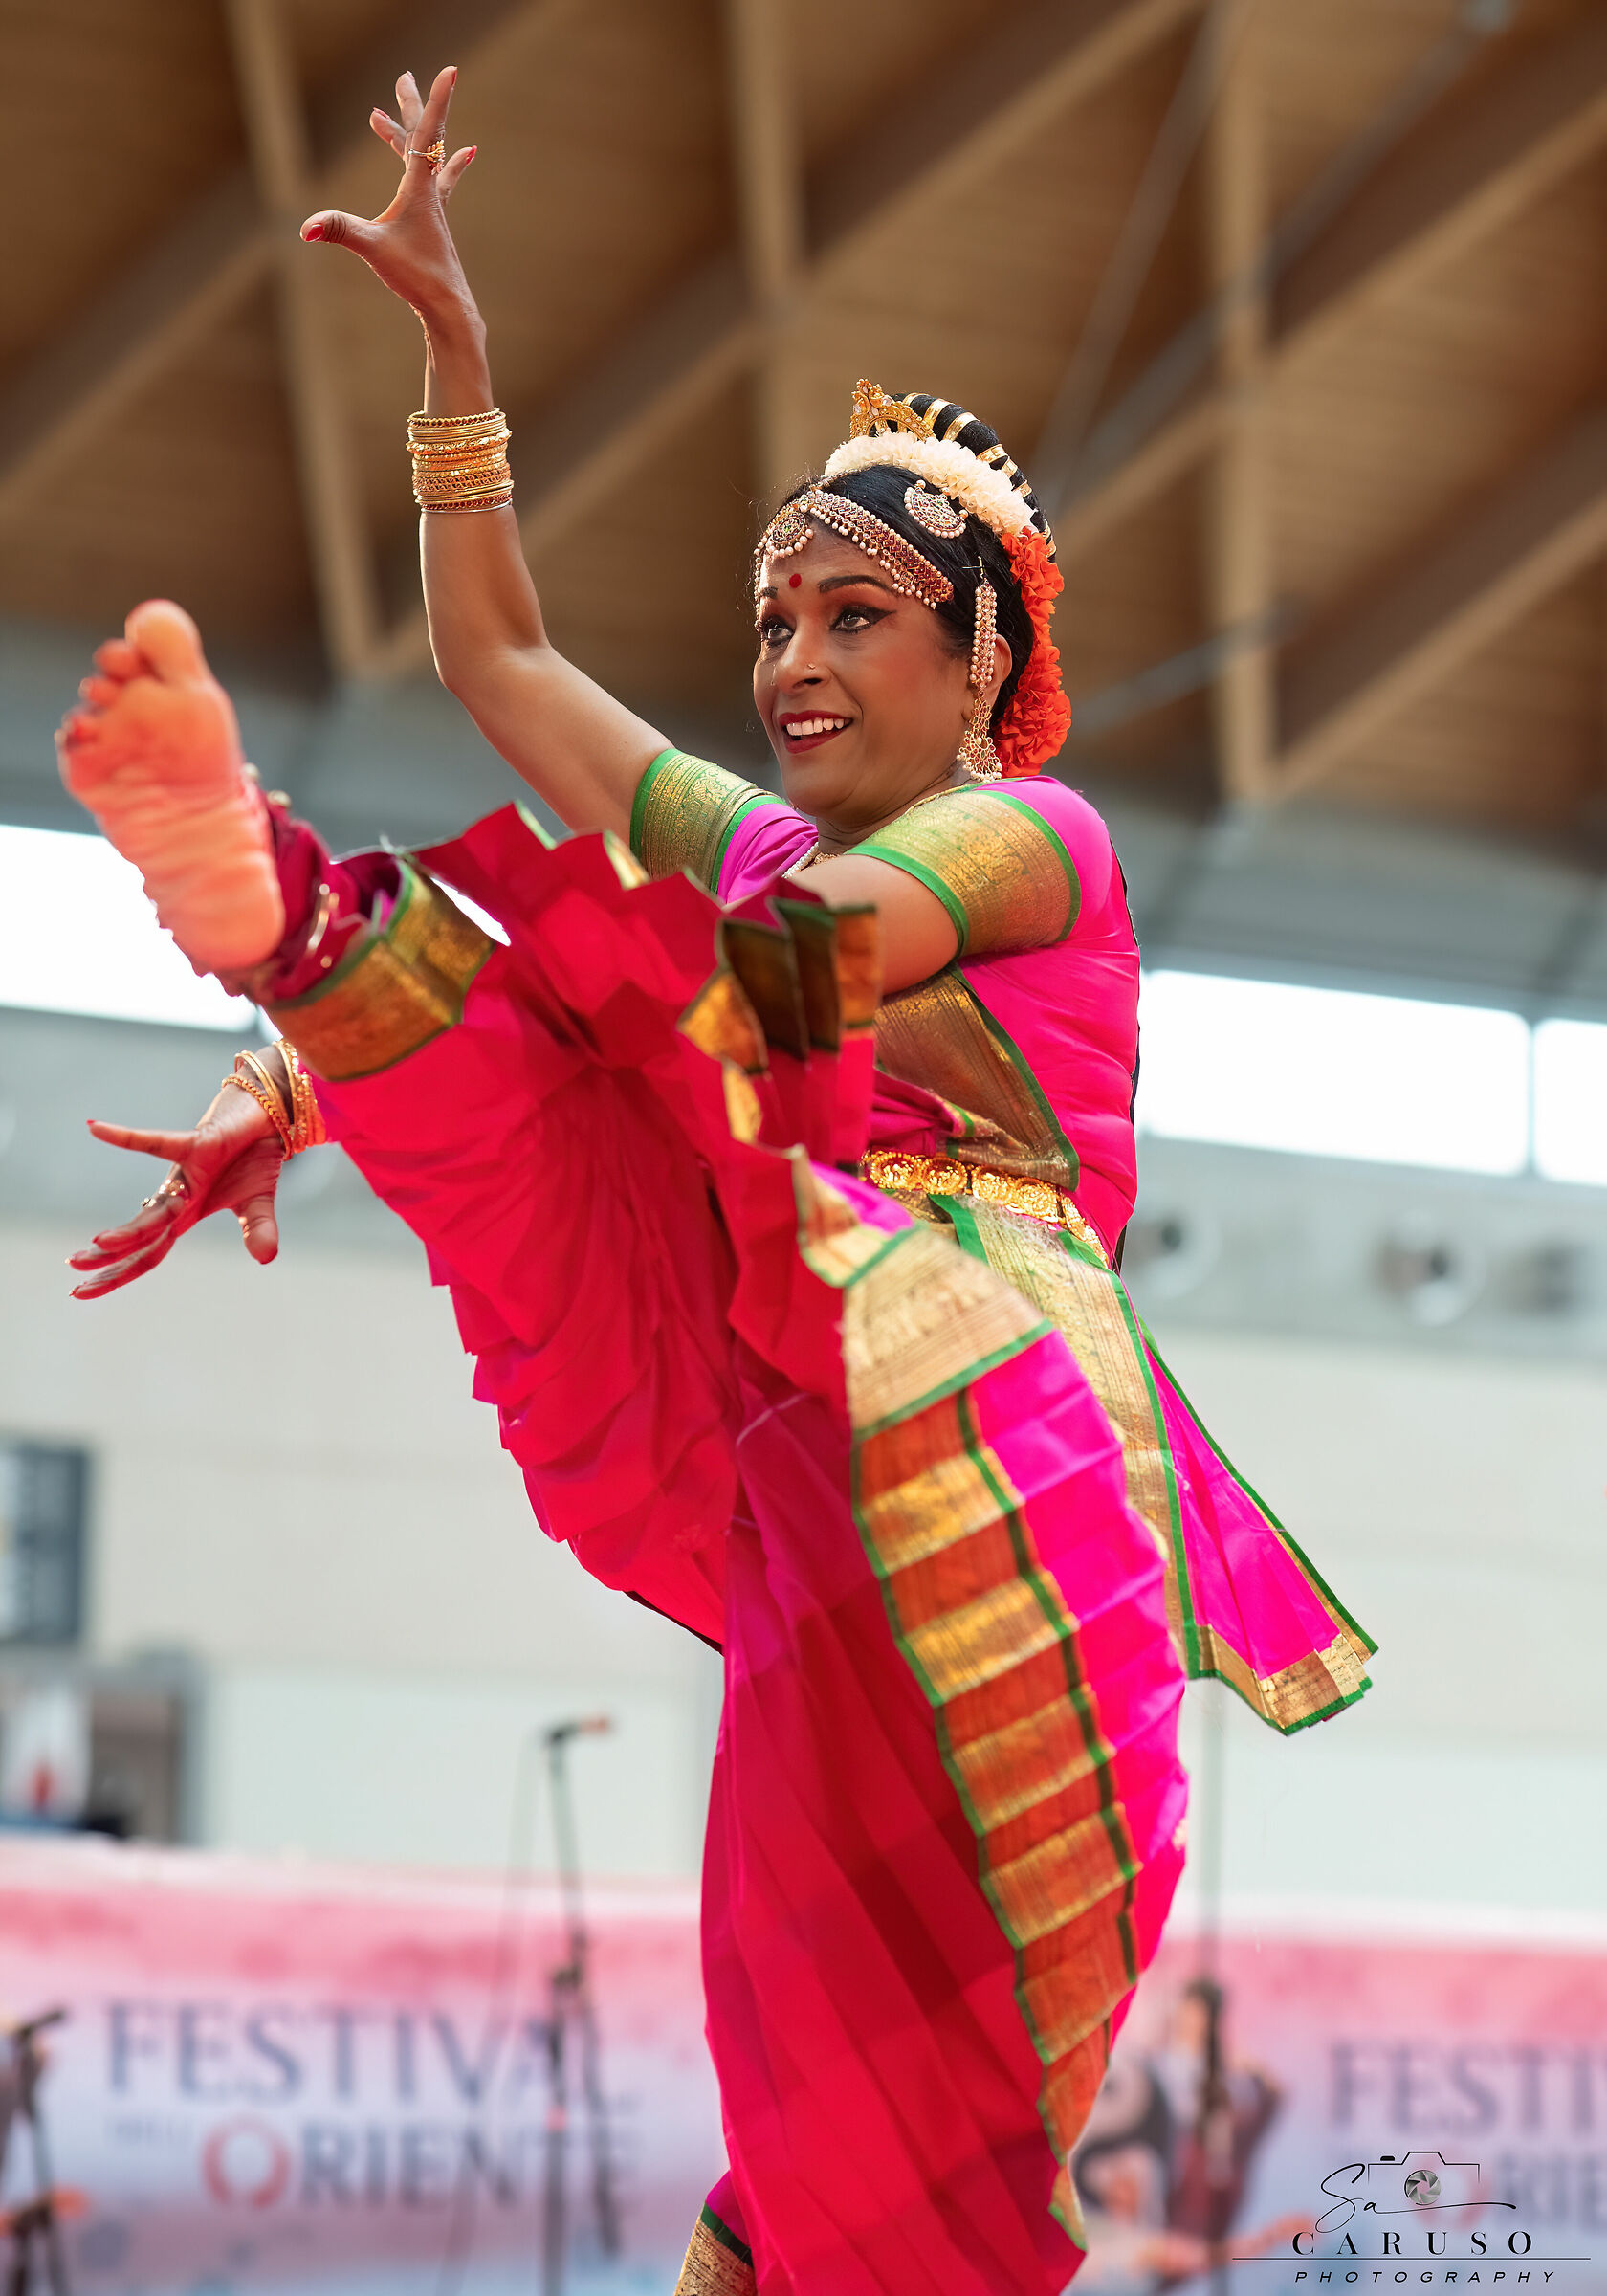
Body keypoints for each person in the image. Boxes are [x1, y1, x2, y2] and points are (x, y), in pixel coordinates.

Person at [53, 64, 1372, 2296]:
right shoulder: (756, 856)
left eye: (853, 617)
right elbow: (501, 661)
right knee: (793, 2052)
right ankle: (314, 938)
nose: (791, 665)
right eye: (775, 624)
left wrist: (434, 1022)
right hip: (814, 1436)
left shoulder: (1038, 841)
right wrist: (458, 380)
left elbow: (812, 968)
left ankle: (335, 948)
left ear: (983, 669)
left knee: (936, 2116)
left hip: (998, 1404)